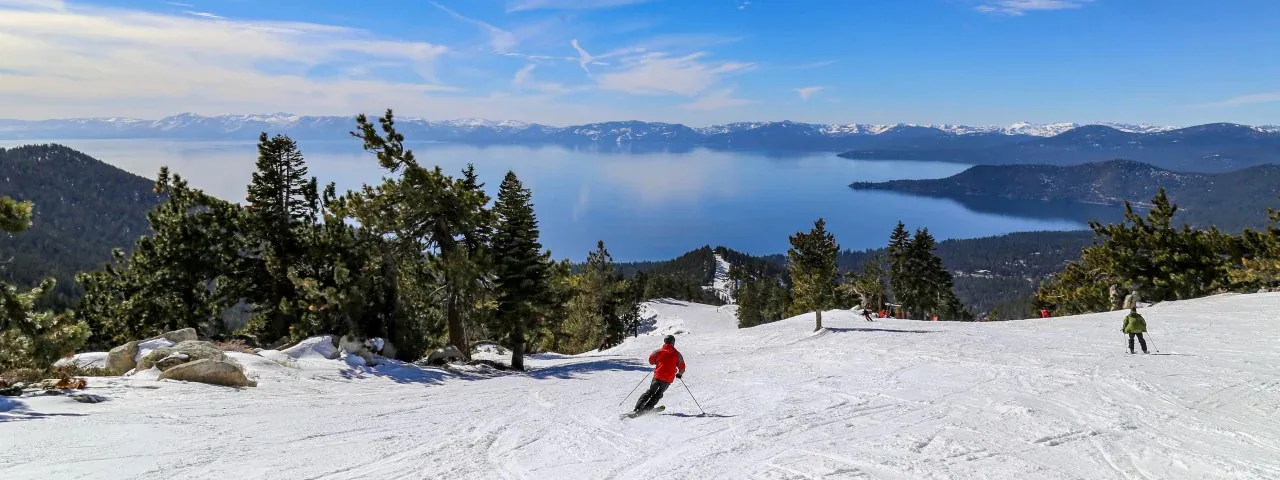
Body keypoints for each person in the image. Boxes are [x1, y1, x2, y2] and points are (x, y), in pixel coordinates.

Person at [633, 334, 686, 415]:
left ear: (665, 342)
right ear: (673, 343)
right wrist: (680, 373)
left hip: (658, 375)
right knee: (659, 394)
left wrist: (658, 362)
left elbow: (651, 360)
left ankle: (638, 408)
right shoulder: (677, 354)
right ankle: (648, 408)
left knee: (650, 392)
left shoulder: (658, 351)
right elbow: (681, 366)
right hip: (668, 378)